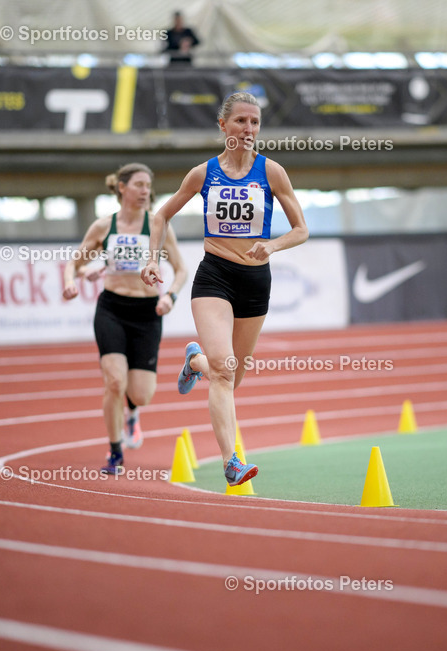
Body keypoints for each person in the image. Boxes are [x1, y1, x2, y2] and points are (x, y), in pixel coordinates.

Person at [141, 91, 309, 487]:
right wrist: (152, 259)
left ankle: (193, 361)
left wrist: (272, 244)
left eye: (254, 123)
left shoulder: (272, 172)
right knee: (224, 370)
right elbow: (160, 215)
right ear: (223, 126)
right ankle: (230, 461)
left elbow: (301, 229)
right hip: (214, 275)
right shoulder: (202, 174)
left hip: (255, 281)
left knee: (232, 377)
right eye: (240, 121)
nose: (248, 129)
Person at [64, 163, 188, 474]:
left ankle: (133, 413)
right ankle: (115, 452)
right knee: (115, 381)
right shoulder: (104, 226)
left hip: (148, 313)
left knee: (141, 394)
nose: (146, 191)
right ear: (122, 188)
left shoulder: (159, 226)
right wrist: (76, 277)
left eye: (149, 185)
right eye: (139, 185)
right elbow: (74, 263)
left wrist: (169, 295)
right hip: (112, 310)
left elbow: (182, 269)